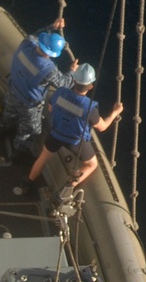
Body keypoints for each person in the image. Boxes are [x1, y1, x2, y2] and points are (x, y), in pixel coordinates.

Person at [28, 63, 123, 196]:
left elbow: (50, 108)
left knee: (43, 157)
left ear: (74, 80)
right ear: (90, 86)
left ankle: (28, 183)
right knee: (91, 165)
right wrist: (114, 112)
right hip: (75, 142)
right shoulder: (89, 108)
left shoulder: (60, 92)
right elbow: (102, 127)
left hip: (55, 133)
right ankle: (64, 191)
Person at [4, 19, 78, 159]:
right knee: (30, 130)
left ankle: (3, 130)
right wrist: (72, 71)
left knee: (8, 115)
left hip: (13, 91)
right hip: (28, 105)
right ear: (52, 53)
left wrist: (52, 26)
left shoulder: (26, 44)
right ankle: (18, 152)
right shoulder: (48, 69)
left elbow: (35, 35)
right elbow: (64, 83)